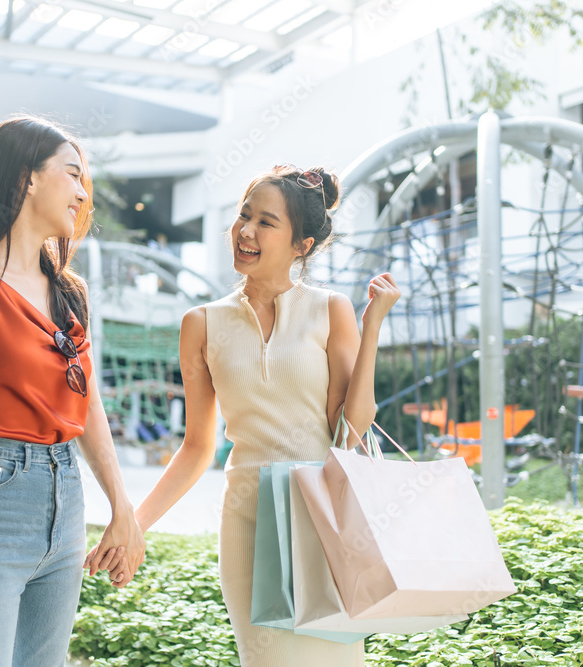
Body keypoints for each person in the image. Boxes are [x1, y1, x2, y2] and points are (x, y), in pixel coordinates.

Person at [101, 165, 400, 665]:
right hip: (248, 524)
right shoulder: (200, 324)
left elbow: (349, 431)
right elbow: (196, 447)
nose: (245, 231)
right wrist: (134, 525)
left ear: (301, 245)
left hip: (322, 519)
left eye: (265, 222)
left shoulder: (331, 310)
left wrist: (371, 331)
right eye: (243, 216)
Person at [0, 116, 146, 667]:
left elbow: (89, 406)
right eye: (72, 174)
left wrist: (122, 506)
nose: (83, 192)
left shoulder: (69, 290)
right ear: (26, 179)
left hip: (66, 501)